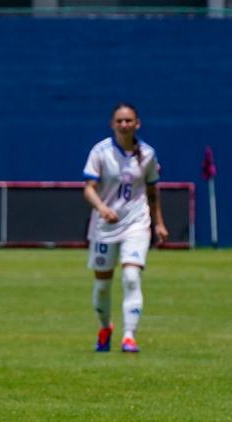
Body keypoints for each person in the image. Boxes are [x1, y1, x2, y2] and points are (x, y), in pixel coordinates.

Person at [83, 103, 169, 353]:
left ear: (137, 123)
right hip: (105, 226)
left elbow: (152, 190)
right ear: (112, 124)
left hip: (136, 223)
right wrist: (102, 208)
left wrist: (159, 222)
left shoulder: (148, 154)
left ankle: (129, 336)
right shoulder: (101, 152)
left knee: (131, 277)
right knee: (102, 286)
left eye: (129, 120)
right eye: (119, 121)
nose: (124, 125)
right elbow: (88, 187)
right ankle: (105, 327)